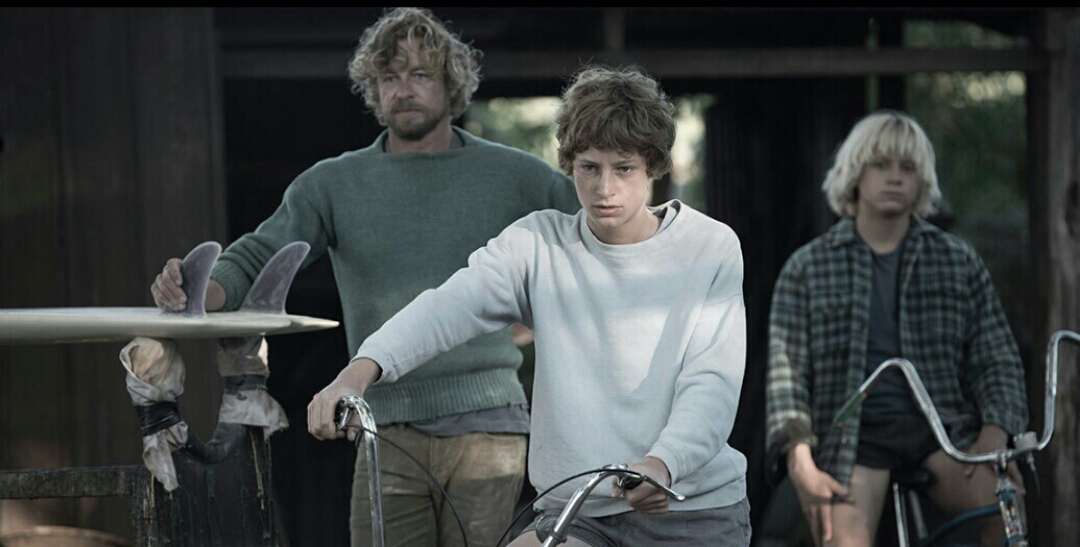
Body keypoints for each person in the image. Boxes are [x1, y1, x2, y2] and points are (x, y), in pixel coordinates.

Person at [150, 7, 581, 547]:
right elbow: (258, 254)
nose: (404, 89)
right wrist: (196, 290)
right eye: (389, 77)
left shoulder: (514, 174)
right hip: (384, 423)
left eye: (420, 74)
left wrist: (545, 320)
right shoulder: (332, 184)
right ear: (374, 91)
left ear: (451, 84)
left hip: (489, 422)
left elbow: (592, 234)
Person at [308, 64, 752, 547]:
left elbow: (712, 381)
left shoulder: (709, 246)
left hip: (689, 507)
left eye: (623, 168)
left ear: (652, 165)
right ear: (570, 164)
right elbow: (447, 306)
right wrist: (359, 371)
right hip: (578, 509)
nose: (604, 188)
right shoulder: (536, 243)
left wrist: (663, 463)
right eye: (589, 167)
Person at [764, 110, 1028, 547]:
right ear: (855, 173)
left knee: (1006, 506)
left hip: (941, 431)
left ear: (922, 179)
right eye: (881, 164)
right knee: (841, 539)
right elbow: (785, 378)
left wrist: (994, 434)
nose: (895, 177)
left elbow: (996, 356)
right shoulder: (807, 267)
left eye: (908, 167)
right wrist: (800, 460)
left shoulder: (957, 260)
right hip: (851, 438)